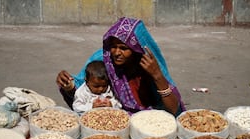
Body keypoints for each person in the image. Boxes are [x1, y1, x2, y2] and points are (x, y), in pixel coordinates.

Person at [56, 17, 185, 116]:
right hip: (117, 115)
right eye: (113, 47)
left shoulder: (148, 65)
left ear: (136, 50)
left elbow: (173, 109)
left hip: (149, 117)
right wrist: (69, 85)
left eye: (124, 48)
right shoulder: (103, 59)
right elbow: (84, 86)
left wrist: (157, 76)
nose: (117, 53)